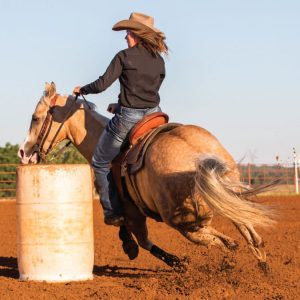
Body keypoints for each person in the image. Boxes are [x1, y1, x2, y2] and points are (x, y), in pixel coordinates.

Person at [73, 12, 168, 226]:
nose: (125, 37)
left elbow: (101, 85)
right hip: (155, 114)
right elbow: (147, 91)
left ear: (136, 34)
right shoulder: (159, 60)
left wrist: (82, 89)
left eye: (127, 33)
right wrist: (120, 104)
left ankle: (113, 211)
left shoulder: (124, 56)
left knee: (100, 161)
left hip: (129, 118)